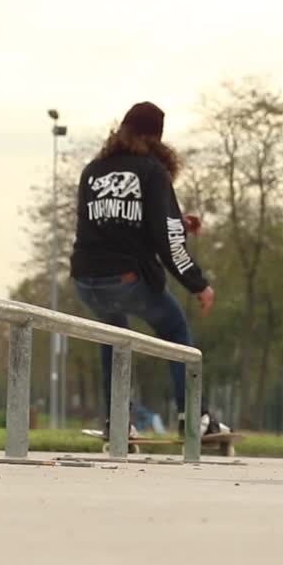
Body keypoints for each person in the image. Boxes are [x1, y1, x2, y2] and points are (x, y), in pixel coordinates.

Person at [70, 101, 227, 440]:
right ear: (156, 139)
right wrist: (198, 284)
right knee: (175, 330)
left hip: (86, 282)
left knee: (114, 337)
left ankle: (116, 420)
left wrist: (179, 222)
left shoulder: (92, 171)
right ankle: (194, 416)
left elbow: (109, 225)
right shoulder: (151, 170)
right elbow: (168, 241)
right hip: (126, 281)